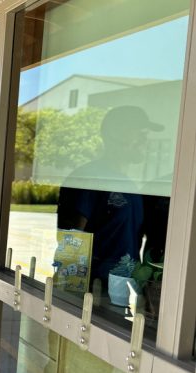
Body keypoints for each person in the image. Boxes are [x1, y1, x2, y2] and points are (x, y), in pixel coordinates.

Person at [57, 105, 162, 298]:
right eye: (139, 133)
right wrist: (70, 301)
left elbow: (130, 243)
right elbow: (71, 241)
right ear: (116, 134)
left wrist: (144, 287)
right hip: (89, 293)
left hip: (117, 292)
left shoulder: (132, 188)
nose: (144, 141)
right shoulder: (88, 179)